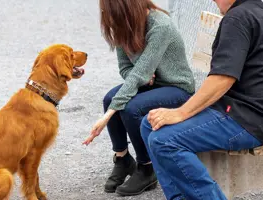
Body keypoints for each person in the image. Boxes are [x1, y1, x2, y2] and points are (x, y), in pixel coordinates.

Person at [140, 0, 263, 199]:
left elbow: (222, 78)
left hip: (244, 119)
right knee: (149, 123)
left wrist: (180, 113)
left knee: (164, 140)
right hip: (255, 113)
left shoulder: (237, 17)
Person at [82, 0, 196, 196]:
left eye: (109, 11)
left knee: (129, 107)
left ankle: (147, 167)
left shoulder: (160, 26)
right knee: (110, 99)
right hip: (150, 85)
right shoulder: (123, 26)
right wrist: (142, 79)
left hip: (176, 87)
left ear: (125, 9)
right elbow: (126, 69)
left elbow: (138, 74)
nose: (106, 15)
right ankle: (123, 159)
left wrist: (107, 116)